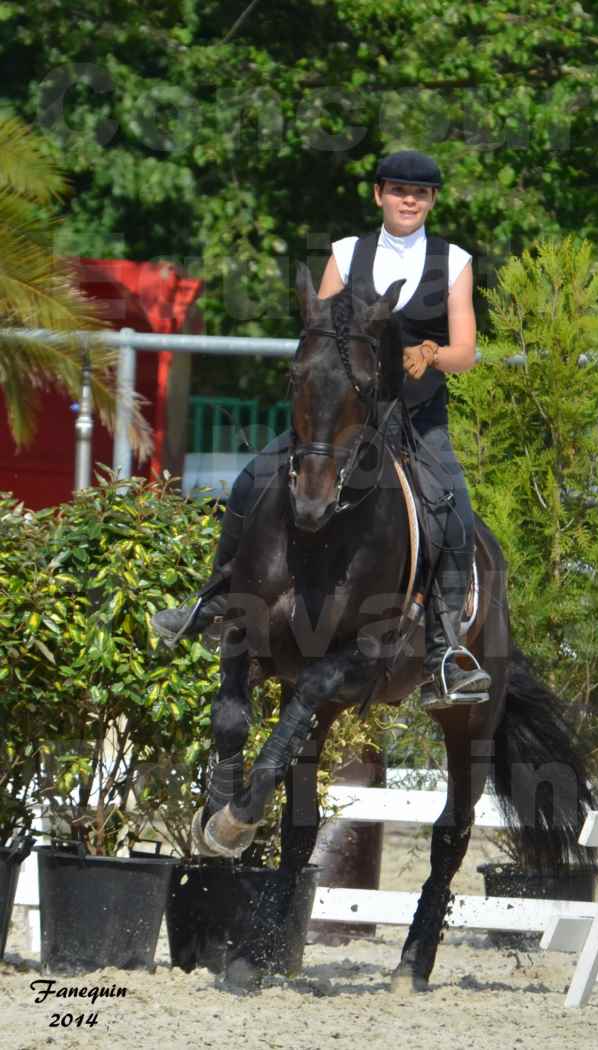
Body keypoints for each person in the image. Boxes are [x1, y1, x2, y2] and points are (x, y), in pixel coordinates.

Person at [152, 149, 491, 707]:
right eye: (400, 190)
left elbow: (467, 352)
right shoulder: (345, 253)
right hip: (344, 423)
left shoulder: (453, 261)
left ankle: (445, 651)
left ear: (431, 201)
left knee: (453, 504)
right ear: (379, 194)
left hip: (416, 421)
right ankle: (211, 601)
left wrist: (430, 352)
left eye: (421, 193)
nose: (410, 200)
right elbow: (321, 328)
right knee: (251, 481)